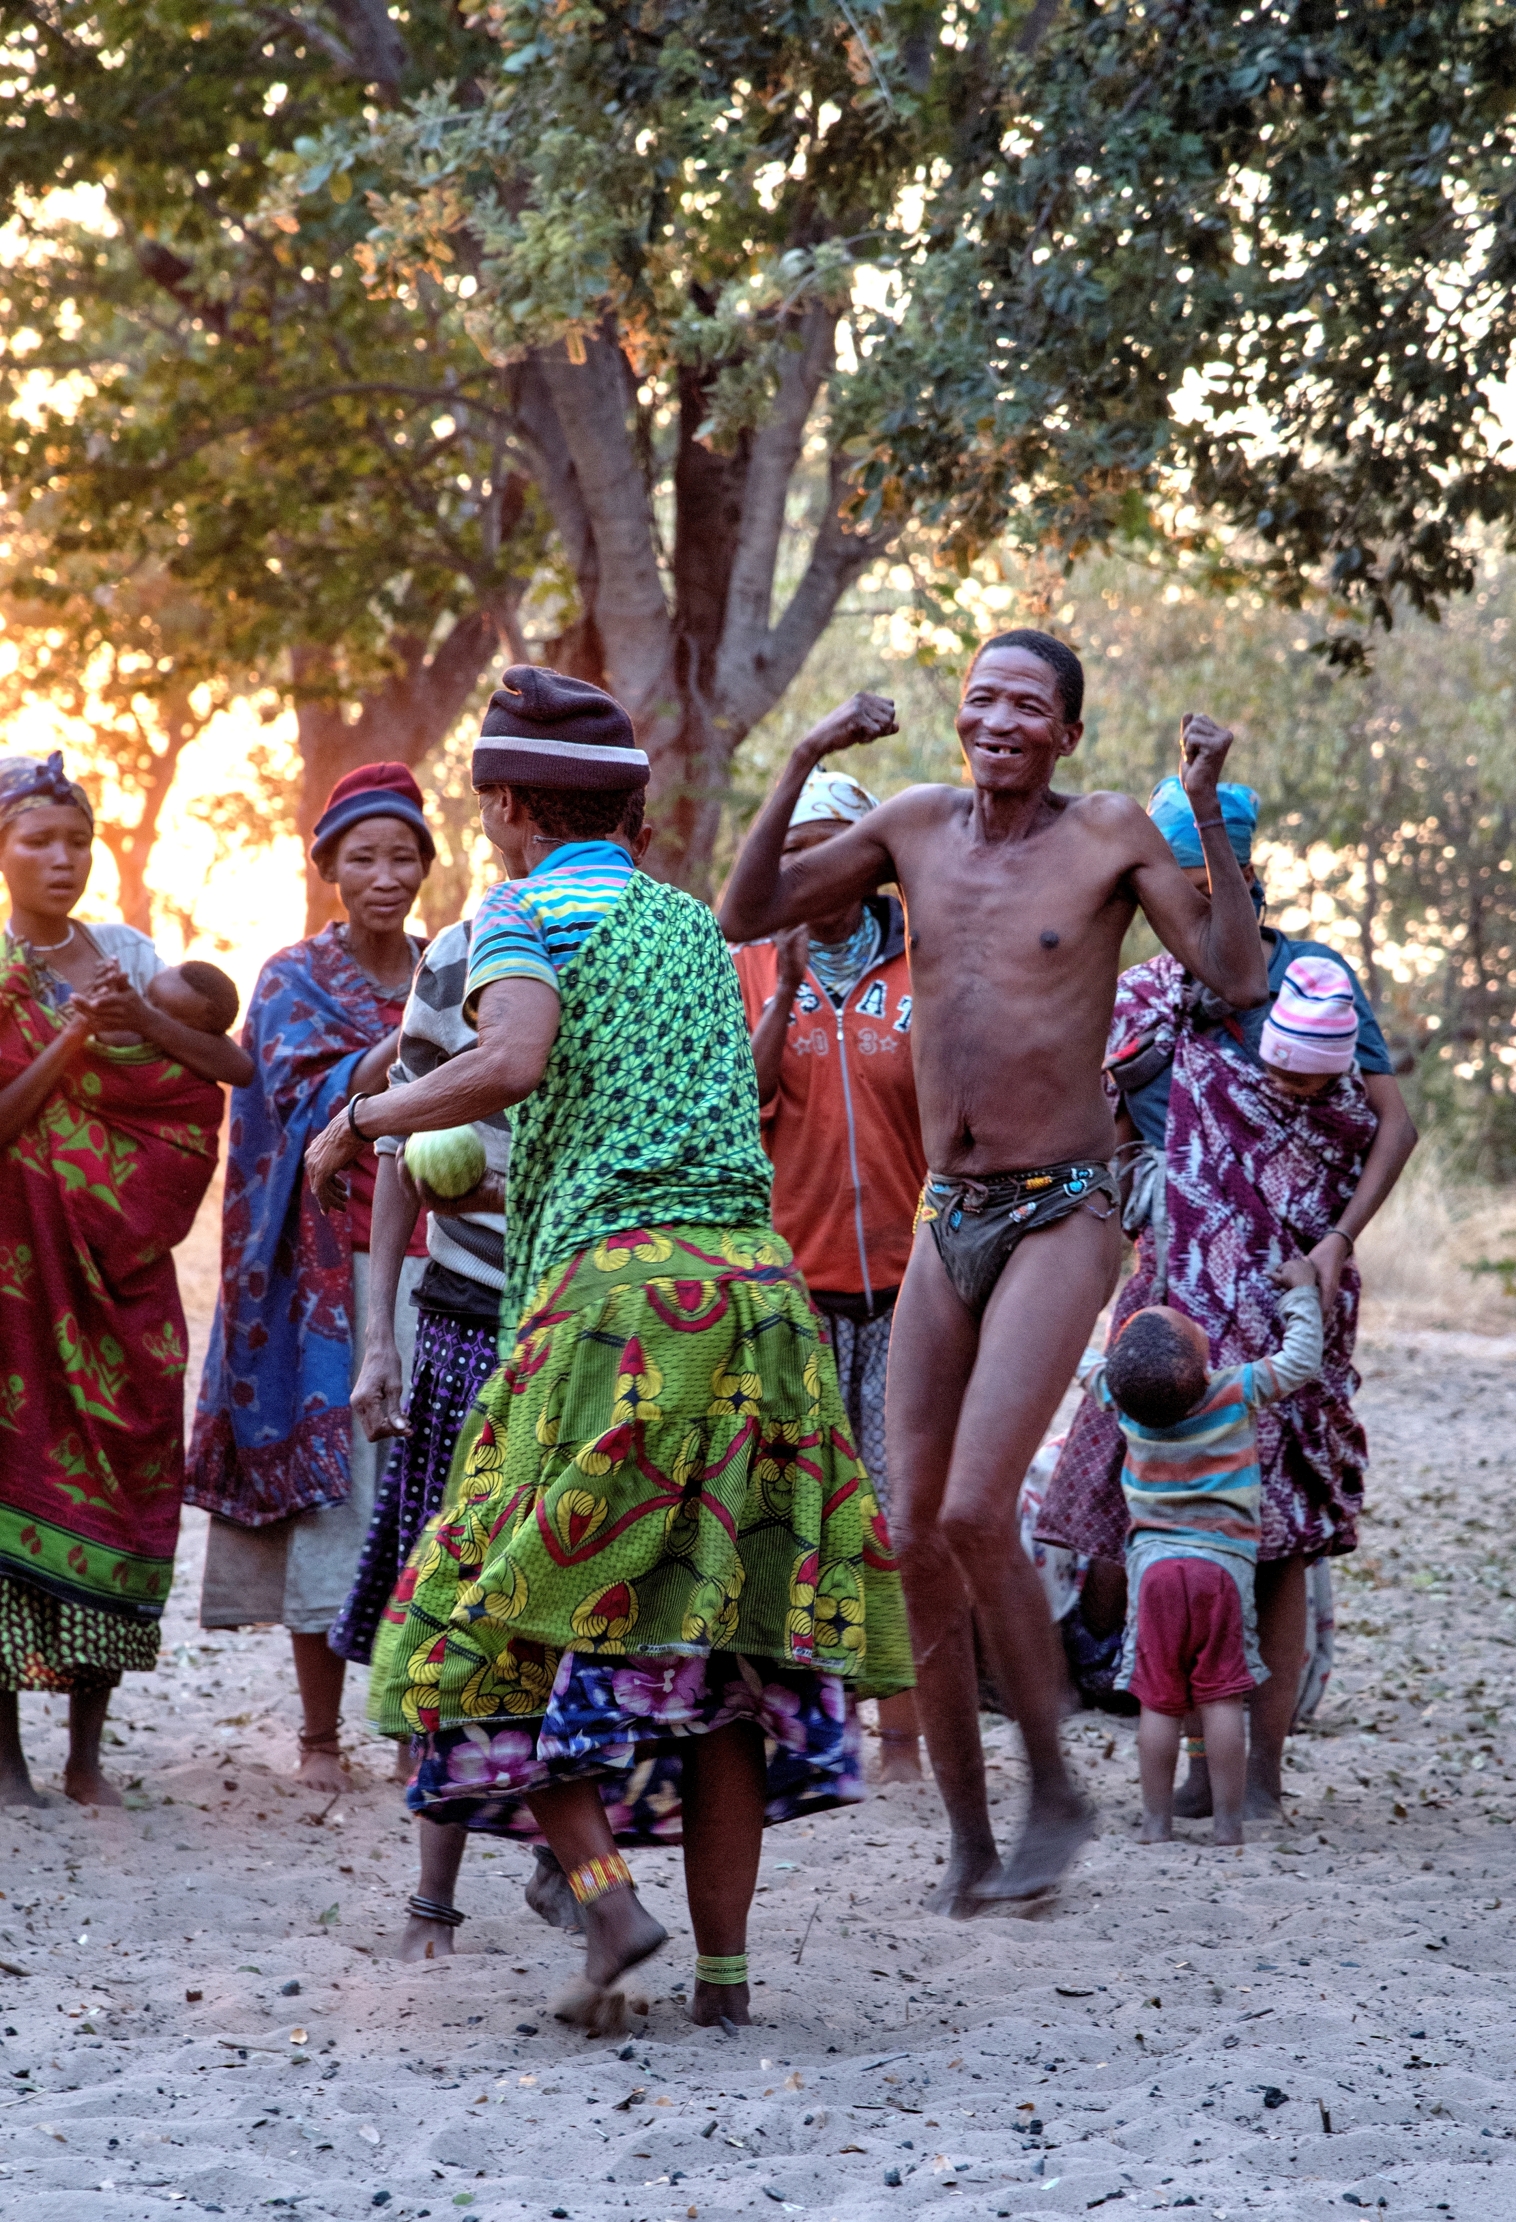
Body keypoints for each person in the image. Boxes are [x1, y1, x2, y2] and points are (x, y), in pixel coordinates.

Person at [305, 665, 912, 2028]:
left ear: (509, 808)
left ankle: (604, 1895)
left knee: (473, 1623)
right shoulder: (692, 924)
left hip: (618, 1311)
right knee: (729, 1652)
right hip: (760, 1307)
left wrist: (366, 1119)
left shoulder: (521, 915)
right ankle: (724, 1984)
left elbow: (513, 1059)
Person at [717, 632, 1272, 1911]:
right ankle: (972, 1837)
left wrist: (1200, 807)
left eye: (1027, 703)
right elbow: (747, 911)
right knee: (910, 1528)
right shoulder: (913, 826)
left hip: (1063, 1208)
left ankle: (1057, 1792)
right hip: (947, 1212)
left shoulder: (1108, 832)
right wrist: (803, 752)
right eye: (981, 698)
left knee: (976, 1507)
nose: (999, 718)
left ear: (1067, 732)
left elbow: (1236, 973)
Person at [1039, 783, 1418, 1821]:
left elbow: (1387, 1124)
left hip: (1293, 1287)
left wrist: (1336, 1241)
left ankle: (1257, 1773)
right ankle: (1192, 1749)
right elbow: (1112, 1137)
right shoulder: (1138, 997)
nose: (1184, 897)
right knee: (1164, 1514)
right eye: (1162, 881)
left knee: (1279, 1531)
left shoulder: (1311, 980)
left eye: (1203, 877)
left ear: (1241, 872)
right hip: (1175, 1295)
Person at [0, 751, 248, 1808]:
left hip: (124, 1274)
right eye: (37, 841)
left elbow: (226, 1073)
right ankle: (6, 1758)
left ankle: (87, 1754)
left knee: (120, 1475)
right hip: (18, 1275)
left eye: (77, 841)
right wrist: (72, 1033)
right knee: (8, 1485)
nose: (62, 859)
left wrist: (135, 1020)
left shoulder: (134, 956)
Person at [186, 764, 435, 1792]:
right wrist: (405, 1042)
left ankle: (418, 1731)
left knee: (427, 1492)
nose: (385, 876)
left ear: (426, 866)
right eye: (363, 857)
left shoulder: (458, 966)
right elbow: (288, 1112)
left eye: (404, 857)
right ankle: (322, 1736)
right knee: (331, 1502)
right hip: (319, 1278)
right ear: (329, 867)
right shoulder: (291, 978)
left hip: (438, 1260)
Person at [730, 764, 926, 1782]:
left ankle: (903, 1735)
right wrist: (786, 991)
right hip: (793, 1285)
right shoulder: (751, 959)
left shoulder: (927, 956)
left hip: (912, 1285)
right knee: (792, 1510)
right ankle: (802, 1728)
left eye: (833, 850)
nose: (814, 871)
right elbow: (743, 1098)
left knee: (897, 1514)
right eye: (796, 853)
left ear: (872, 859)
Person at [1079, 1257, 1324, 1845]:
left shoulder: (1118, 1396)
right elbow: (1300, 1361)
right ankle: (1228, 1824)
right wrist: (1302, 1295)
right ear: (1203, 1357)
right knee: (1222, 1697)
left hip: (1154, 1572)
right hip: (1222, 1568)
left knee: (1159, 1702)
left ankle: (1156, 1823)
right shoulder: (1234, 1389)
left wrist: (1087, 1308)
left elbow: (1078, 1362)